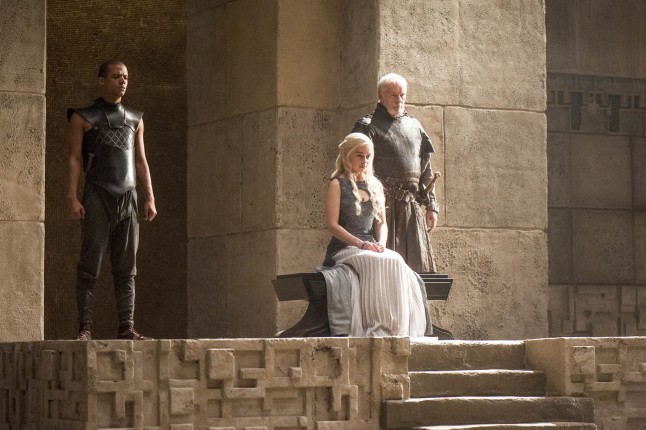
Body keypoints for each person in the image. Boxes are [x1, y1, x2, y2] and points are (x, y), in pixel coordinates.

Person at [66, 60, 157, 340]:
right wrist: (72, 196)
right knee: (90, 264)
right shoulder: (83, 117)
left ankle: (126, 327)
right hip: (97, 194)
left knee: (127, 267)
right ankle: (85, 328)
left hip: (128, 198)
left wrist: (150, 197)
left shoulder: (135, 119)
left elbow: (140, 161)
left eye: (126, 77)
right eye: (116, 76)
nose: (122, 81)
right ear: (101, 80)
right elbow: (74, 159)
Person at [321, 132, 428, 337]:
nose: (365, 160)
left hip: (371, 246)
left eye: (368, 156)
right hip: (344, 248)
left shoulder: (375, 185)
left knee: (395, 259)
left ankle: (397, 329)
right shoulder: (337, 184)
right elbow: (332, 226)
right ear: (347, 155)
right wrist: (361, 244)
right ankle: (376, 327)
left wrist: (381, 244)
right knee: (373, 260)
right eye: (359, 155)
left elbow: (382, 224)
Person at [352, 73, 438, 273]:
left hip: (412, 209)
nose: (399, 100)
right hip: (381, 207)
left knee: (417, 272)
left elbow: (426, 169)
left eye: (402, 95)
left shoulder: (415, 126)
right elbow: (354, 168)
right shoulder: (367, 126)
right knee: (383, 271)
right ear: (380, 95)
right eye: (393, 95)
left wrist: (432, 205)